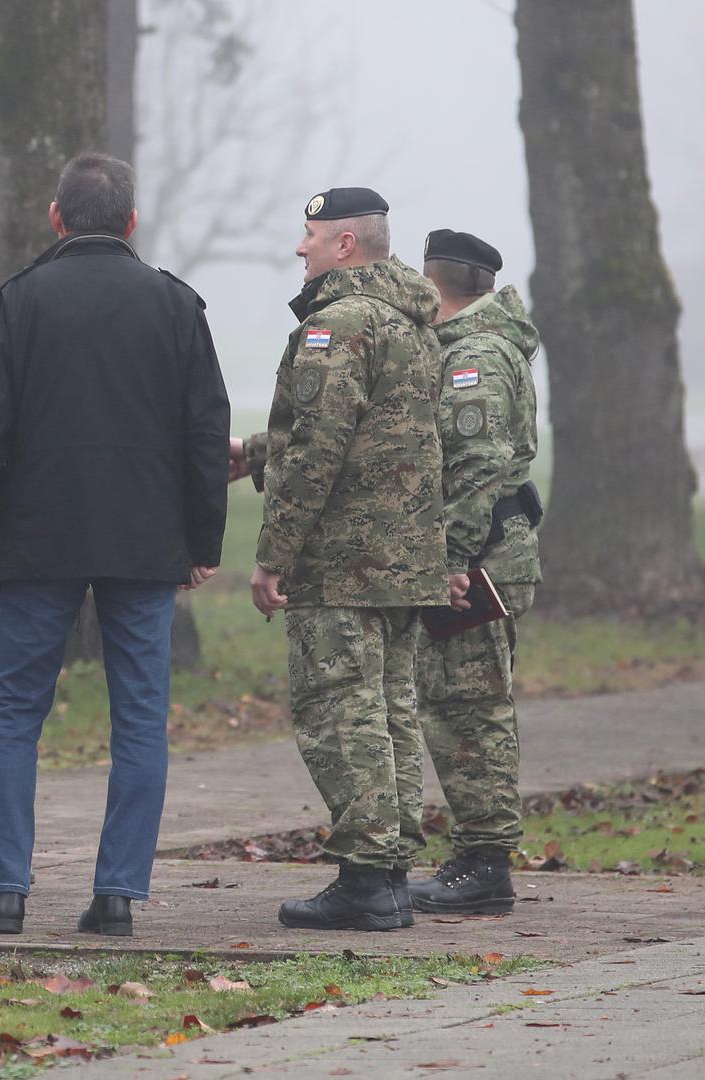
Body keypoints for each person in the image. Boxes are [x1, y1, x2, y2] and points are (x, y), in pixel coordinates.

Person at [0, 153, 230, 937]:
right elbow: (205, 433)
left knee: (13, 715)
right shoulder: (175, 307)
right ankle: (117, 896)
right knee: (140, 719)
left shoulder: (19, 302)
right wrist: (203, 538)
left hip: (40, 538)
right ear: (132, 222)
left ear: (56, 217)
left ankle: (3, 890)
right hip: (145, 542)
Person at [248, 187, 447, 932]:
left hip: (344, 561)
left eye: (310, 235)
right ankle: (389, 869)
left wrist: (273, 558)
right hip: (404, 560)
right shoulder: (413, 322)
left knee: (341, 711)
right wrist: (255, 453)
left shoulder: (340, 324)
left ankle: (367, 877)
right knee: (390, 712)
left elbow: (318, 450)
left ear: (344, 246)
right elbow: (378, 438)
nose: (299, 248)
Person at [406, 229, 542, 914]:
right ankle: (479, 855)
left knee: (468, 708)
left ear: (436, 285)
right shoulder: (474, 347)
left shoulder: (474, 359)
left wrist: (450, 560)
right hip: (486, 553)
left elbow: (478, 463)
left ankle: (484, 864)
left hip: (479, 560)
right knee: (461, 703)